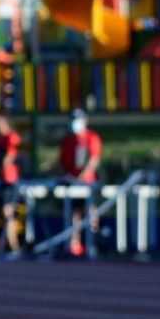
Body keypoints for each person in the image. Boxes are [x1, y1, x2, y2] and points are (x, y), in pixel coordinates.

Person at [57, 109, 102, 257]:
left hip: (86, 184)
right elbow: (62, 161)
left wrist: (83, 176)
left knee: (90, 213)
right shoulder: (67, 139)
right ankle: (74, 245)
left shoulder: (91, 137)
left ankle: (94, 243)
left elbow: (93, 159)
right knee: (74, 214)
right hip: (71, 183)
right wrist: (66, 176)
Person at [0, 114, 23, 255]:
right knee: (1, 213)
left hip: (10, 180)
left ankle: (13, 245)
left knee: (7, 211)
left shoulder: (12, 137)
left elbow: (9, 157)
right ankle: (4, 244)